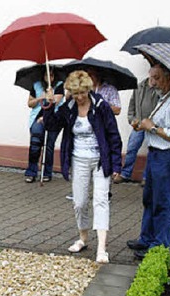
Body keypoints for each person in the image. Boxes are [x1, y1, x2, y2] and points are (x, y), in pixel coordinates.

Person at [43, 70, 122, 264]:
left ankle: (102, 249)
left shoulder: (101, 106)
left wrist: (116, 164)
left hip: (100, 160)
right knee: (79, 202)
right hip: (78, 159)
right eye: (75, 93)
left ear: (88, 89)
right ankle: (83, 238)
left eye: (82, 93)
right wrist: (49, 104)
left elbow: (113, 135)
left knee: (101, 201)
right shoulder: (69, 107)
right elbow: (51, 125)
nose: (79, 97)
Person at [126, 64, 170, 259]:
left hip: (168, 156)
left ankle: (159, 246)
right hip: (156, 153)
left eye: (156, 78)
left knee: (164, 201)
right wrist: (144, 125)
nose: (152, 82)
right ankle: (147, 238)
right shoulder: (165, 97)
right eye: (150, 77)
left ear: (169, 77)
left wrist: (152, 128)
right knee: (150, 198)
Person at [113, 76, 159, 184]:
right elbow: (132, 105)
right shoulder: (139, 87)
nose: (154, 80)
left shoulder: (160, 90)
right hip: (138, 124)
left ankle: (146, 178)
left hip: (151, 125)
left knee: (151, 151)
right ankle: (125, 174)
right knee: (131, 148)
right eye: (153, 77)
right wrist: (131, 119)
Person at [24, 66, 64, 183]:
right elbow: (30, 103)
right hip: (36, 119)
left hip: (53, 119)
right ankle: (31, 172)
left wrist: (50, 97)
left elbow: (56, 102)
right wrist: (39, 98)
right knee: (35, 144)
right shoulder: (36, 85)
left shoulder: (59, 85)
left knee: (49, 146)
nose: (49, 78)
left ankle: (47, 173)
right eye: (47, 75)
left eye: (51, 75)